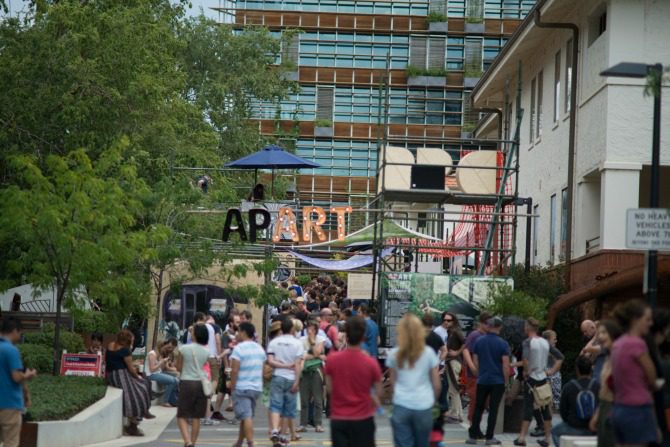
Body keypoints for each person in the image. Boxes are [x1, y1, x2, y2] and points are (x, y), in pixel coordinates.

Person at [325, 316, 383, 447]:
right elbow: (379, 391)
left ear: (346, 335)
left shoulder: (332, 360)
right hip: (363, 418)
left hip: (339, 418)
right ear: (363, 336)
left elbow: (329, 388)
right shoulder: (371, 362)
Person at [610, 299, 659, 447]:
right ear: (635, 320)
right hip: (637, 408)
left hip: (619, 408)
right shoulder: (637, 344)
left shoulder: (617, 344)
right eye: (647, 319)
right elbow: (652, 376)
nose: (650, 323)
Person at [387, 314, 441, 447]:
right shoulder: (428, 353)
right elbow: (436, 384)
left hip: (401, 404)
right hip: (423, 405)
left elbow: (392, 383)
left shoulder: (395, 354)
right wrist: (432, 401)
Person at [466, 316, 510, 446]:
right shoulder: (503, 343)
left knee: (478, 407)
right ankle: (489, 437)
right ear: (500, 327)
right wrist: (506, 381)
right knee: (494, 409)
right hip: (497, 380)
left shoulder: (479, 341)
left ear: (489, 326)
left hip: (482, 379)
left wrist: (479, 373)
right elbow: (505, 365)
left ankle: (473, 436)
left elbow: (475, 360)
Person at [106, 329, 153, 436]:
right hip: (121, 376)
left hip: (111, 375)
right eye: (132, 340)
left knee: (143, 385)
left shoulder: (110, 345)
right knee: (140, 390)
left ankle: (144, 412)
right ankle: (134, 425)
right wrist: (138, 377)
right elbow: (131, 369)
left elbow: (114, 361)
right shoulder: (125, 350)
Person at [514, 318, 552, 447]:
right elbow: (559, 357)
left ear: (528, 327)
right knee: (545, 407)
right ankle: (547, 438)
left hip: (532, 378)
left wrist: (525, 372)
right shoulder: (545, 342)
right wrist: (551, 370)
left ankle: (521, 437)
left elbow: (525, 359)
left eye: (525, 326)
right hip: (543, 377)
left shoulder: (527, 342)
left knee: (528, 408)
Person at [267, 317, 305, 446]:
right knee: (288, 409)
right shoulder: (297, 343)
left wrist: (282, 366)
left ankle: (274, 431)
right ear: (292, 329)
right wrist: (297, 381)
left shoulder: (274, 342)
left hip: (277, 376)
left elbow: (271, 361)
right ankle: (283, 435)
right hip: (291, 378)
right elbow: (298, 364)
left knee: (275, 406)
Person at [0, 318, 37, 447]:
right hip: (9, 404)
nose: (19, 337)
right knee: (10, 442)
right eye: (20, 333)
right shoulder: (11, 350)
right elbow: (16, 377)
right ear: (15, 330)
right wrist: (28, 375)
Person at [230, 322, 266, 447]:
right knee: (246, 415)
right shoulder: (259, 348)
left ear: (244, 332)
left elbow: (234, 370)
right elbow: (263, 369)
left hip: (242, 387)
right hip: (256, 387)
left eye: (238, 331)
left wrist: (232, 386)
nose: (237, 334)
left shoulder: (239, 349)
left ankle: (251, 443)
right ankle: (240, 441)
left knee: (246, 416)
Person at [587, 319, 622, 447]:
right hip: (605, 406)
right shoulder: (607, 356)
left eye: (603, 333)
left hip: (618, 410)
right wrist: (597, 413)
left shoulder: (622, 357)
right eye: (598, 333)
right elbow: (604, 391)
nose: (600, 336)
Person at [551, 356, 599, 446]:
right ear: (591, 369)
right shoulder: (598, 386)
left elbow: (563, 412)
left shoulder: (569, 386)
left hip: (574, 426)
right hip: (594, 428)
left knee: (554, 432)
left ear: (577, 369)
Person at [176, 324, 211, 447]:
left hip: (186, 382)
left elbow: (178, 367)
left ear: (195, 334)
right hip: (200, 384)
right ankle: (193, 442)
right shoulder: (207, 351)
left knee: (182, 415)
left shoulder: (184, 348)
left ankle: (187, 441)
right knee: (197, 417)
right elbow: (209, 367)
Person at [298, 319, 326, 433]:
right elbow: (301, 356)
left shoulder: (321, 339)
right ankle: (303, 424)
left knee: (318, 399)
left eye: (312, 329)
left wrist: (312, 342)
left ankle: (318, 424)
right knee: (304, 399)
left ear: (315, 330)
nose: (309, 331)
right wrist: (316, 355)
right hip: (304, 371)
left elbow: (316, 353)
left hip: (316, 370)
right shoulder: (300, 340)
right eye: (308, 328)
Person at [463, 312, 491, 423]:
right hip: (474, 373)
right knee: (475, 398)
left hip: (484, 372)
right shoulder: (475, 335)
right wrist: (472, 366)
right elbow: (466, 350)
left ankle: (475, 423)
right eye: (487, 323)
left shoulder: (486, 336)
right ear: (482, 323)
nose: (489, 326)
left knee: (482, 400)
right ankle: (472, 423)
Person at [445, 312, 466, 424]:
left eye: (449, 320)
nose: (446, 322)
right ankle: (459, 414)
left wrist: (457, 352)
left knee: (453, 389)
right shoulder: (451, 332)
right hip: (451, 362)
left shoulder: (456, 331)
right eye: (445, 320)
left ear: (454, 321)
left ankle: (455, 413)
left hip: (454, 362)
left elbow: (465, 343)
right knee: (453, 389)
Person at [146, 338, 179, 407]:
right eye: (166, 348)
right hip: (151, 375)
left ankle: (174, 400)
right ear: (160, 347)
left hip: (158, 373)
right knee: (172, 381)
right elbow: (152, 369)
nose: (166, 350)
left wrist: (165, 362)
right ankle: (165, 401)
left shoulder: (160, 355)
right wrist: (162, 362)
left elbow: (161, 369)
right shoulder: (152, 354)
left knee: (176, 380)